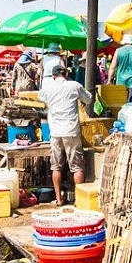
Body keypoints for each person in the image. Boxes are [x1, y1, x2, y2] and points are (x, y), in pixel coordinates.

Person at [38, 65, 93, 205]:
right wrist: (79, 99)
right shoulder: (74, 85)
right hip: (71, 131)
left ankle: (58, 199)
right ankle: (80, 200)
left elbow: (40, 98)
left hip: (55, 132)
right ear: (66, 75)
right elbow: (89, 99)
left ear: (53, 76)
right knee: (77, 166)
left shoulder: (48, 87)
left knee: (56, 166)